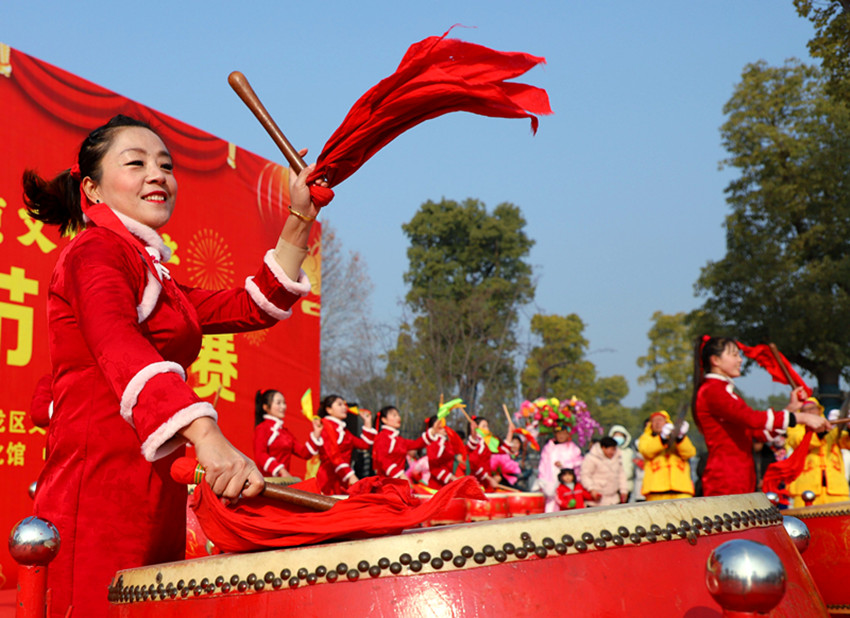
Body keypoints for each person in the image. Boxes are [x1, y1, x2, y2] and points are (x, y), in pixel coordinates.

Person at [23, 114, 322, 618]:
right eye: (135, 163)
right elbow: (119, 344)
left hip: (151, 492)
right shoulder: (94, 252)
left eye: (165, 164)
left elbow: (250, 305)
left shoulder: (149, 269)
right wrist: (208, 436)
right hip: (94, 497)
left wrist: (299, 215)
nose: (157, 174)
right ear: (92, 188)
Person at [693, 336, 830, 497]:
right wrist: (800, 418)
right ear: (715, 360)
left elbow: (755, 433)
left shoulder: (723, 391)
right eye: (734, 355)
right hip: (725, 480)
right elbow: (751, 418)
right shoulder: (712, 390)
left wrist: (790, 410)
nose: (740, 360)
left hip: (739, 478)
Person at [786, 397, 850, 507]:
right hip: (805, 490)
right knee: (806, 523)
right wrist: (821, 431)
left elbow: (846, 443)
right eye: (806, 410)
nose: (810, 412)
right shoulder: (795, 430)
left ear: (820, 410)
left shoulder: (833, 431)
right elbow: (799, 441)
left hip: (837, 490)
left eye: (813, 408)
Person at [309, 394, 377, 494]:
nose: (344, 407)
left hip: (343, 477)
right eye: (339, 404)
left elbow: (364, 445)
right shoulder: (325, 425)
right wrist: (350, 475)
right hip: (329, 478)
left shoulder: (344, 431)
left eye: (344, 404)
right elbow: (333, 454)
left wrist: (367, 422)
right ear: (329, 410)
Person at [637, 411, 696, 501]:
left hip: (681, 489)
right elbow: (647, 451)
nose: (657, 423)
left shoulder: (679, 439)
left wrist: (680, 437)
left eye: (661, 420)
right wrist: (662, 438)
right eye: (654, 421)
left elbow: (689, 453)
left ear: (667, 423)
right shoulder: (646, 438)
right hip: (655, 490)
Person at [253, 389, 312, 478]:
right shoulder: (262, 428)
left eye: (284, 403)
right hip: (267, 482)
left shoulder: (285, 433)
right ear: (265, 407)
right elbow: (260, 455)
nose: (283, 406)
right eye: (278, 403)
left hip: (282, 482)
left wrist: (316, 434)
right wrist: (281, 470)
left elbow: (304, 453)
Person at [372, 405, 441, 480]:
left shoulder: (399, 439)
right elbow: (382, 459)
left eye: (398, 415)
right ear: (384, 420)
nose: (398, 418)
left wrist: (433, 432)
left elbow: (416, 444)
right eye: (394, 415)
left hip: (397, 481)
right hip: (385, 483)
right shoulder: (382, 437)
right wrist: (400, 474)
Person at [536, 426, 584, 513]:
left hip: (568, 488)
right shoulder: (548, 448)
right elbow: (543, 466)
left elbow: (578, 463)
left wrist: (565, 465)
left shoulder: (573, 448)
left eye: (563, 433)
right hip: (551, 488)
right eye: (558, 433)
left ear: (568, 434)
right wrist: (543, 483)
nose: (561, 436)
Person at [467, 415, 514, 490]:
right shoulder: (476, 443)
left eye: (487, 426)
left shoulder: (488, 443)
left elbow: (502, 451)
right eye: (484, 426)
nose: (487, 429)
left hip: (487, 482)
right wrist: (489, 478)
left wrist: (510, 432)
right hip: (477, 482)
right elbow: (474, 463)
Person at [581, 436, 629, 506]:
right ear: (603, 448)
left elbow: (621, 475)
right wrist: (591, 489)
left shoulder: (617, 457)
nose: (613, 452)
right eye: (611, 449)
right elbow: (585, 475)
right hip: (596, 500)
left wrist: (624, 490)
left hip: (614, 499)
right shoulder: (591, 458)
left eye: (615, 449)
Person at [424, 416, 458, 489]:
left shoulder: (447, 443)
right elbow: (433, 467)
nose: (443, 426)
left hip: (448, 485)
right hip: (436, 487)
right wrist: (451, 477)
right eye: (439, 424)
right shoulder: (432, 443)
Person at [608, 424, 636, 500]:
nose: (618, 438)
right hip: (612, 486)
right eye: (616, 435)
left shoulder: (629, 452)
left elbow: (633, 468)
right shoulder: (609, 452)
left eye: (620, 436)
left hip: (627, 485)